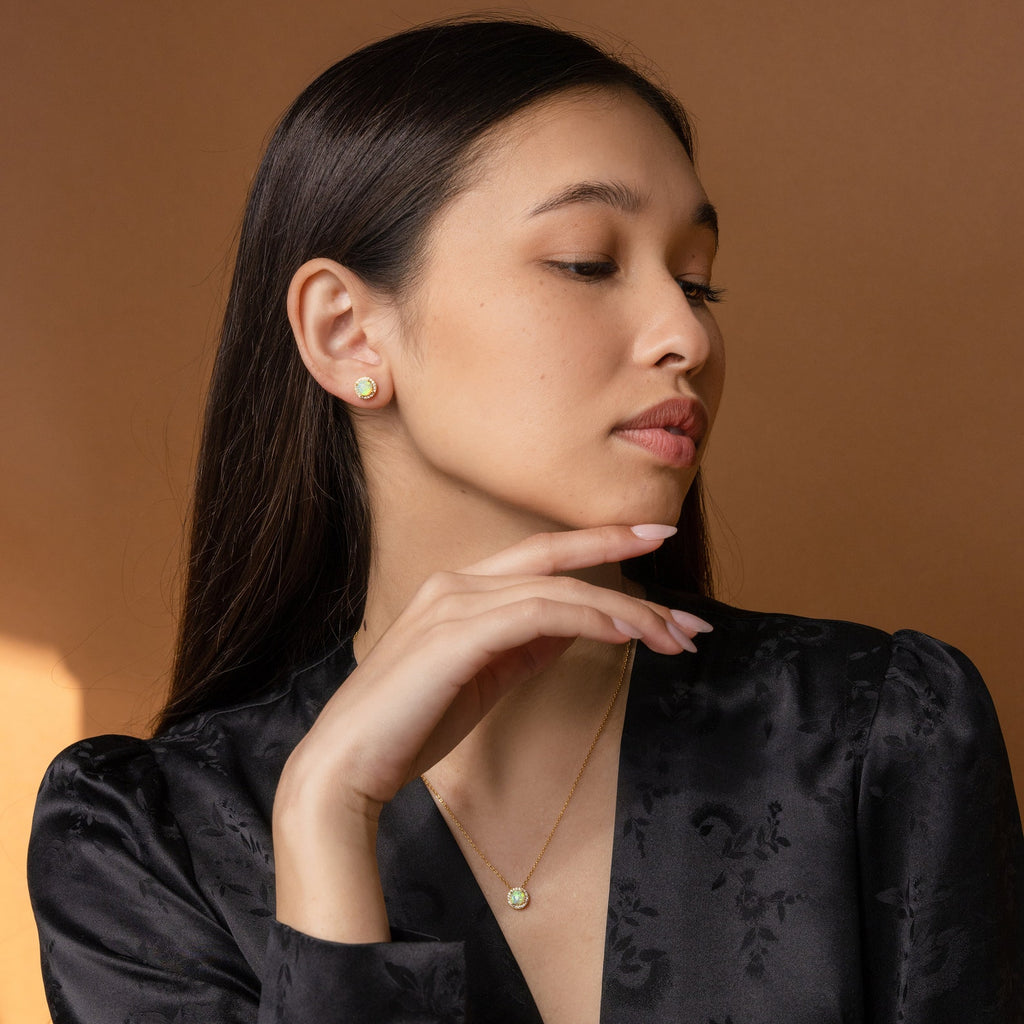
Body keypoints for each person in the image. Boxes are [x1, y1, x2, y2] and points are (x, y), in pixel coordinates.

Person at [27, 17, 1023, 1024]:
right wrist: (328, 818)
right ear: (346, 331)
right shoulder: (143, 844)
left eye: (697, 279)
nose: (686, 334)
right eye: (588, 262)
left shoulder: (879, 732)